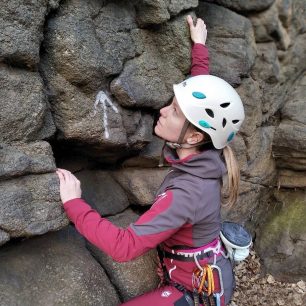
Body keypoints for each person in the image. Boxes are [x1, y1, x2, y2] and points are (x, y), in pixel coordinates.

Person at [56, 15, 245, 306]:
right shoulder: (209, 150)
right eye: (172, 102)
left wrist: (74, 204)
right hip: (201, 270)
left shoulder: (186, 194)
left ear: (194, 137)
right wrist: (199, 48)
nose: (165, 110)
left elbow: (124, 247)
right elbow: (202, 102)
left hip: (196, 294)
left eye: (175, 111)